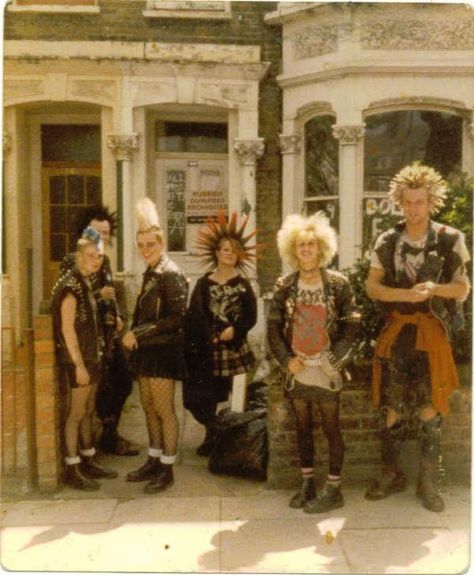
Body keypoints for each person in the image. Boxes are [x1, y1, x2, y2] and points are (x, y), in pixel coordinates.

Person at [364, 163, 471, 512]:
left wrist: (433, 289)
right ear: (399, 202)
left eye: (420, 201)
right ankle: (392, 474)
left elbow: (462, 288)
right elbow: (372, 287)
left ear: (431, 202)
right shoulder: (387, 239)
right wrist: (404, 296)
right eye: (407, 201)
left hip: (433, 333)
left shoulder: (449, 238)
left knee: (430, 408)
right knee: (390, 410)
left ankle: (428, 483)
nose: (413, 208)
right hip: (398, 333)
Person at [267, 212, 361, 513]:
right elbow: (273, 329)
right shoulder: (284, 285)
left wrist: (335, 359)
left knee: (332, 428)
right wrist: (285, 360)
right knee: (303, 428)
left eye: (311, 244)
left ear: (321, 248)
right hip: (298, 368)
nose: (306, 250)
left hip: (326, 368)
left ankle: (334, 488)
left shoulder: (338, 283)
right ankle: (307, 483)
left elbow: (352, 325)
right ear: (292, 250)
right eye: (300, 245)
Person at [122, 198, 188, 493]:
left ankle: (167, 469)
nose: (145, 249)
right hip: (148, 350)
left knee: (164, 410)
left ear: (161, 243)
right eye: (141, 244)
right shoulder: (151, 271)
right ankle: (153, 459)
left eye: (151, 244)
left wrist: (139, 333)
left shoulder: (170, 273)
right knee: (148, 408)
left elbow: (176, 319)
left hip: (164, 351)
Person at [60, 205, 138, 456]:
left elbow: (110, 295)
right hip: (86, 341)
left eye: (105, 235)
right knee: (89, 399)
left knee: (123, 381)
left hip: (106, 338)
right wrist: (96, 294)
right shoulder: (71, 260)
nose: (102, 239)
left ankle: (108, 434)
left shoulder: (104, 260)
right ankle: (95, 444)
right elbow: (71, 297)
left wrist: (115, 315)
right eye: (97, 234)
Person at [183, 212, 258, 456]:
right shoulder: (204, 283)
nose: (228, 254)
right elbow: (195, 314)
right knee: (207, 398)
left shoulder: (244, 285)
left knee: (234, 398)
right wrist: (211, 336)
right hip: (210, 348)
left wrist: (234, 331)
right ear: (217, 253)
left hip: (235, 349)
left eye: (233, 251)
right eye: (224, 250)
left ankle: (230, 443)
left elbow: (251, 316)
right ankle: (212, 433)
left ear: (238, 256)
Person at [52, 227, 118, 491]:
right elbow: (67, 329)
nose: (95, 261)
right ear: (78, 258)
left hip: (93, 357)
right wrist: (79, 365)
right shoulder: (71, 287)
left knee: (89, 409)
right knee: (77, 413)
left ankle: (88, 459)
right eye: (90, 256)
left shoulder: (86, 283)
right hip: (80, 361)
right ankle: (72, 467)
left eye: (99, 256)